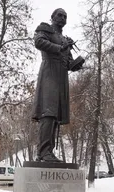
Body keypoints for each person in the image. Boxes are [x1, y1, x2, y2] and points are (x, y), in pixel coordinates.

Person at [32, 8, 83, 162]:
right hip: (49, 74)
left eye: (65, 16)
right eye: (59, 15)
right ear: (52, 17)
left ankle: (49, 151)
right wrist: (60, 48)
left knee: (55, 116)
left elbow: (67, 62)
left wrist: (76, 64)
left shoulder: (64, 39)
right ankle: (43, 151)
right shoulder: (45, 29)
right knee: (47, 113)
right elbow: (38, 42)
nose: (62, 18)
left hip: (61, 77)